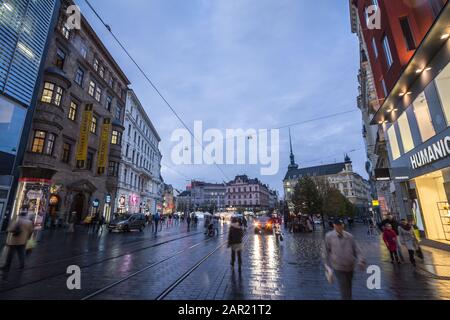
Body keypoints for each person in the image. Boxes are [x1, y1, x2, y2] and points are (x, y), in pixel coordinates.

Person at [324, 218, 365, 300]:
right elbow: (326, 252)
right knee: (344, 287)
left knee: (348, 286)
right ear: (334, 226)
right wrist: (328, 268)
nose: (340, 227)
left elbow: (356, 249)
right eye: (338, 225)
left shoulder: (349, 236)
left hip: (350, 266)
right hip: (338, 267)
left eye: (341, 225)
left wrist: (361, 260)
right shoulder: (329, 236)